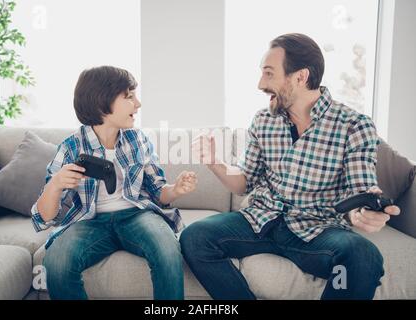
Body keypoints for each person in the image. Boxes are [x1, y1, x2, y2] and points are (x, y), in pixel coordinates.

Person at [182, 33, 400, 300]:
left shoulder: (354, 125)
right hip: (260, 220)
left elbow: (359, 189)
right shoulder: (263, 120)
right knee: (194, 237)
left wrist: (361, 213)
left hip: (315, 228)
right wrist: (214, 163)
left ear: (300, 77)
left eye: (269, 74)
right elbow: (244, 181)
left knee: (363, 256)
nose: (261, 84)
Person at [31, 66, 197, 300]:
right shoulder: (71, 147)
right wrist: (55, 185)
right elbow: (45, 216)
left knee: (167, 250)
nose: (137, 104)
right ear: (102, 103)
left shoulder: (137, 140)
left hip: (136, 216)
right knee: (56, 260)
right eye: (129, 97)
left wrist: (175, 190)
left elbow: (159, 192)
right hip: (90, 223)